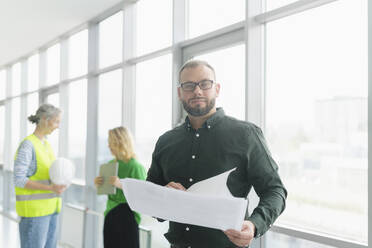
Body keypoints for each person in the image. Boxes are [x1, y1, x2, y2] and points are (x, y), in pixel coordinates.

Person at [147, 60, 287, 248]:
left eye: (205, 84)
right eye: (189, 85)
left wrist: (254, 224)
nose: (197, 91)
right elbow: (149, 196)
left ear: (217, 89)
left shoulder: (246, 135)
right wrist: (164, 196)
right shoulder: (165, 142)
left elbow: (275, 190)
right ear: (180, 93)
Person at [14, 103, 66, 248]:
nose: (58, 126)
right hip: (35, 213)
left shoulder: (46, 145)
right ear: (44, 119)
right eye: (56, 121)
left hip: (52, 208)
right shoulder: (28, 145)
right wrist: (50, 188)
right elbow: (19, 179)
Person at [94, 126, 147, 248]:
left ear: (120, 142)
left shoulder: (135, 166)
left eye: (111, 143)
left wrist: (121, 185)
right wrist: (99, 183)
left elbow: (143, 194)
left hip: (127, 217)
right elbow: (105, 191)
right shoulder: (110, 165)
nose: (108, 146)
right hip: (110, 214)